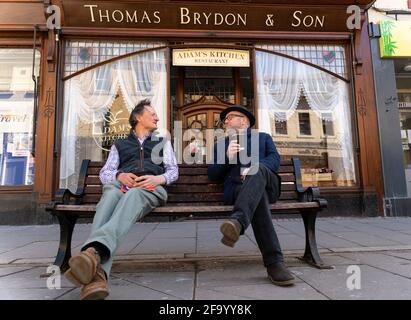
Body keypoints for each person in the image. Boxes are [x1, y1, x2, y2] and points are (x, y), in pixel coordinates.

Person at [64, 99, 179, 299]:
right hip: (122, 186)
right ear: (138, 117)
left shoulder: (162, 143)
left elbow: (173, 171)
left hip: (151, 188)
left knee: (134, 193)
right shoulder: (120, 144)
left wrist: (157, 178)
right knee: (109, 195)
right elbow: (105, 172)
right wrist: (119, 176)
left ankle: (93, 252)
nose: (157, 117)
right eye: (152, 114)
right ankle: (97, 276)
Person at [208, 105, 295, 286]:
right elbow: (213, 175)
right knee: (258, 197)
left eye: (230, 117)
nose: (226, 122)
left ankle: (238, 221)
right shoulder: (221, 145)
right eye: (224, 120)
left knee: (258, 170)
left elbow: (274, 160)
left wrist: (252, 169)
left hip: (267, 183)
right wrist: (225, 157)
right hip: (239, 192)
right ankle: (274, 263)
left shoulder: (263, 138)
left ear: (244, 120)